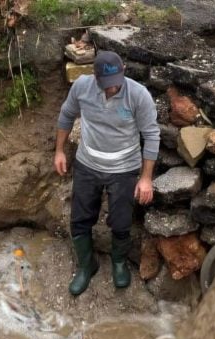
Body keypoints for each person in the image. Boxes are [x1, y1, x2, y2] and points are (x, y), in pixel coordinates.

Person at [54, 51, 160, 296]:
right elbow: (67, 115)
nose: (112, 89)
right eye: (106, 85)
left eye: (116, 84)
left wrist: (145, 178)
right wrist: (59, 151)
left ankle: (119, 263)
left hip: (124, 169)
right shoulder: (82, 87)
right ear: (95, 76)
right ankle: (86, 265)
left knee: (121, 221)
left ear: (123, 68)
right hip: (87, 164)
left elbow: (151, 135)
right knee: (80, 219)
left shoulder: (138, 94)